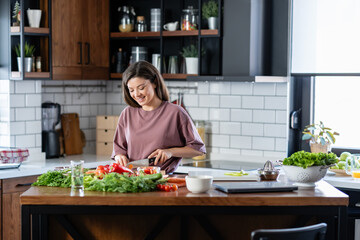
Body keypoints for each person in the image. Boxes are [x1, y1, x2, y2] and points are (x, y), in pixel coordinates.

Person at [111, 61, 206, 174]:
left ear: (155, 82)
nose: (136, 94)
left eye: (141, 88)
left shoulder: (175, 113)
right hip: (131, 179)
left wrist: (170, 152)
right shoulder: (127, 114)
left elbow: (198, 150)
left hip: (162, 180)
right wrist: (119, 156)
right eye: (131, 90)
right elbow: (119, 150)